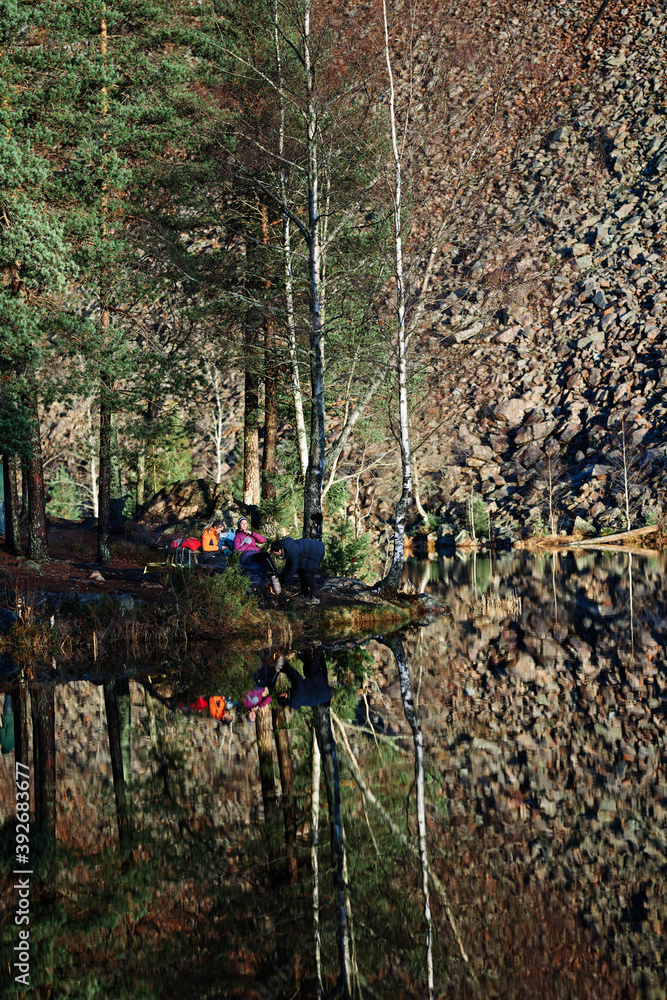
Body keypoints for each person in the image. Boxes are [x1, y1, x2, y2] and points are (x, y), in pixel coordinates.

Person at [270, 535, 325, 604]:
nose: (276, 555)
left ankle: (315, 597)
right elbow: (288, 564)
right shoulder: (287, 548)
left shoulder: (292, 551)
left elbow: (293, 568)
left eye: (276, 553)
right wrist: (281, 575)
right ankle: (306, 596)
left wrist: (285, 579)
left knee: (308, 574)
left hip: (317, 551)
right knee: (302, 573)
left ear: (280, 550)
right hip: (308, 553)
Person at [234, 517, 281, 594]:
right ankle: (275, 573)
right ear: (239, 525)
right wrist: (246, 544)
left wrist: (252, 533)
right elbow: (237, 550)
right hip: (247, 557)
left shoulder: (250, 534)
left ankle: (262, 585)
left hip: (255, 556)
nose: (244, 525)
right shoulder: (238, 536)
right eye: (242, 524)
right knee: (266, 555)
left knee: (264, 564)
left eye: (245, 523)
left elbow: (262, 540)